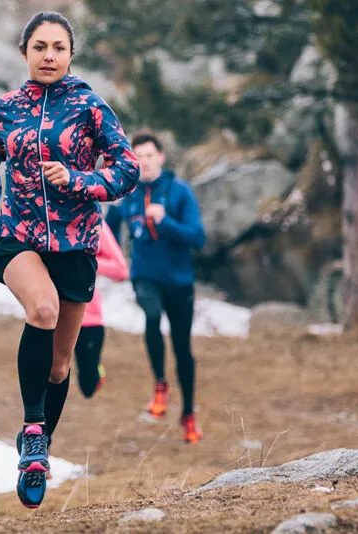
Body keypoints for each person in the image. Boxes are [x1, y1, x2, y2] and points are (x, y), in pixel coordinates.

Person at [0, 11, 139, 509]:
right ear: (24, 52)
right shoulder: (3, 109)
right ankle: (33, 430)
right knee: (42, 309)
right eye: (40, 46)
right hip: (18, 237)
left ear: (70, 54)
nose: (49, 56)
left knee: (60, 367)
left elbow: (126, 168)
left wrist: (79, 180)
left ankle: (35, 455)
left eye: (58, 47)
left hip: (75, 244)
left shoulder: (90, 107)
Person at [105, 130, 206, 444]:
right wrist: (113, 260)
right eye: (138, 157)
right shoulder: (128, 193)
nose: (144, 162)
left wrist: (166, 222)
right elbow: (106, 233)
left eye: (149, 155)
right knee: (150, 317)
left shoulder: (179, 191)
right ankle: (160, 385)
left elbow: (198, 238)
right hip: (144, 275)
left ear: (160, 157)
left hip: (179, 281)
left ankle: (188, 414)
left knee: (182, 349)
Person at [75, 222, 128, 398]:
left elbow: (121, 270)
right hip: (50, 313)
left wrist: (84, 260)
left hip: (87, 317)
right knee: (51, 375)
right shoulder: (41, 214)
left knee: (87, 386)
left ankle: (96, 372)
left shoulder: (93, 220)